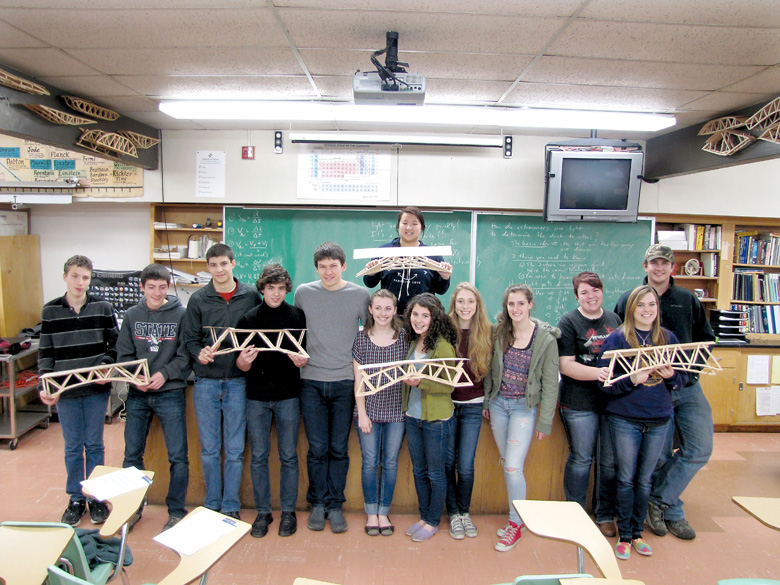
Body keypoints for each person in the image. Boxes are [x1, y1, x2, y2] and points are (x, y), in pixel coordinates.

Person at [614, 244, 716, 541]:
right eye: (653, 263)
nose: (659, 268)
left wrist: (686, 374)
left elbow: (705, 339)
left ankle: (657, 500)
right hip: (649, 392)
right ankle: (672, 511)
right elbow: (620, 339)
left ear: (673, 268)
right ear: (644, 266)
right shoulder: (630, 299)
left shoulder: (687, 299)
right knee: (658, 456)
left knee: (700, 448)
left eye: (665, 264)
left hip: (686, 388)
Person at [599, 285, 688, 560]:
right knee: (626, 479)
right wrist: (632, 380)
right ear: (631, 309)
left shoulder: (668, 338)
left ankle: (638, 533)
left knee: (645, 480)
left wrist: (672, 375)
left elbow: (681, 382)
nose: (647, 310)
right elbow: (606, 386)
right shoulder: (617, 339)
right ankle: (625, 535)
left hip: (659, 419)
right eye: (641, 305)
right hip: (625, 419)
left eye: (652, 305)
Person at [294, 242, 370, 533]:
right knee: (317, 448)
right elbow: (296, 332)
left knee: (338, 448)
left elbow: (371, 333)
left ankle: (336, 505)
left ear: (343, 266)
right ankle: (317, 504)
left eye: (333, 266)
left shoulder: (360, 294)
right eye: (323, 267)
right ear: (316, 268)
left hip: (344, 382)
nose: (328, 272)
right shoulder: (303, 293)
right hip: (310, 381)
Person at [181, 243, 260, 519]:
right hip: (206, 382)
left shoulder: (251, 295)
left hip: (239, 381)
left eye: (223, 263)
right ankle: (213, 503)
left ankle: (231, 506)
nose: (219, 269)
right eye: (213, 265)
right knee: (210, 449)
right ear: (208, 267)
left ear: (233, 263)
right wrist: (198, 352)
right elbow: (189, 340)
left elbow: (260, 334)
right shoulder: (198, 299)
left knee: (236, 449)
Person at [38, 255, 118, 526]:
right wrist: (44, 385)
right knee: (73, 447)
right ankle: (75, 499)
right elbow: (46, 354)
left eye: (85, 277)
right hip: (66, 392)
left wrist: (106, 366)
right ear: (65, 277)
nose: (80, 282)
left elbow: (115, 346)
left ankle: (96, 498)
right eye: (75, 276)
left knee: (94, 444)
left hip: (96, 389)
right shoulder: (50, 311)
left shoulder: (103, 308)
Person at [117, 263, 192, 532]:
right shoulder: (132, 315)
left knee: (178, 456)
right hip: (138, 395)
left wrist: (165, 374)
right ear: (142, 287)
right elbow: (124, 355)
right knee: (132, 455)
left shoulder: (181, 314)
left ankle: (176, 511)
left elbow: (186, 354)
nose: (158, 292)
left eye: (162, 287)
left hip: (170, 392)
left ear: (168, 286)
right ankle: (133, 508)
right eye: (151, 287)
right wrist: (137, 378)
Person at [485, 284, 560, 552]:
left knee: (513, 466)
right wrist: (486, 400)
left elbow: (551, 383)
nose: (515, 309)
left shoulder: (545, 339)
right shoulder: (499, 332)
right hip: (497, 405)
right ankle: (517, 518)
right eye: (510, 304)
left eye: (520, 304)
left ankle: (516, 523)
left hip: (523, 408)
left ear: (530, 305)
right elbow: (492, 369)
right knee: (507, 462)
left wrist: (545, 421)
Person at [236, 263, 307, 538]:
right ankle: (263, 512)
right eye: (270, 288)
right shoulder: (248, 319)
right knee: (259, 457)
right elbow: (240, 364)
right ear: (262, 289)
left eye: (280, 288)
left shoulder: (297, 316)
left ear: (287, 289)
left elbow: (304, 354)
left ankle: (288, 512)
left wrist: (302, 361)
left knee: (289, 456)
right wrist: (242, 361)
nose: (276, 294)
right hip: (256, 397)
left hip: (288, 395)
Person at [557, 272, 621, 537]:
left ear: (602, 291)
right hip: (578, 402)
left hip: (612, 402)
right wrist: (597, 373)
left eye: (595, 290)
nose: (591, 296)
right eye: (584, 292)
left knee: (608, 462)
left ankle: (605, 514)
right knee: (582, 459)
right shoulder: (569, 322)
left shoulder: (615, 320)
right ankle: (576, 514)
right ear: (577, 296)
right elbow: (566, 365)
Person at [402, 293, 458, 542]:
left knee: (436, 473)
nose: (419, 319)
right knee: (419, 470)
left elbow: (449, 385)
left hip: (436, 419)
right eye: (415, 314)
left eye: (425, 315)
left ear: (434, 318)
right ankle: (424, 517)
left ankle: (434, 520)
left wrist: (420, 382)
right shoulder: (413, 341)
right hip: (412, 417)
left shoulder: (443, 345)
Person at [352, 289, 409, 536]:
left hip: (397, 411)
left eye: (388, 308)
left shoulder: (405, 336)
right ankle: (371, 512)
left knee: (390, 462)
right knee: (370, 462)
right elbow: (359, 380)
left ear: (395, 310)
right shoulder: (361, 337)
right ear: (370, 310)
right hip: (369, 411)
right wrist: (362, 413)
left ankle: (384, 512)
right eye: (378, 308)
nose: (383, 313)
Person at [445, 282, 492, 539]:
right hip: (447, 405)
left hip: (474, 406)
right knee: (447, 462)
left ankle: (464, 512)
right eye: (461, 301)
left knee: (465, 464)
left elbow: (493, 371)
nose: (465, 306)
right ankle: (453, 514)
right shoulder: (445, 330)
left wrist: (488, 403)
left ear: (477, 305)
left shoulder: (487, 331)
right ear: (454, 304)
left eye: (470, 302)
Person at [362, 206, 453, 314]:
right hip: (390, 317)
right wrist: (371, 273)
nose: (409, 228)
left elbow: (441, 290)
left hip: (421, 318)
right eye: (404, 223)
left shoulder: (432, 254)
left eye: (414, 224)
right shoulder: (384, 251)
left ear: (422, 227)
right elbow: (370, 284)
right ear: (398, 226)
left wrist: (444, 277)